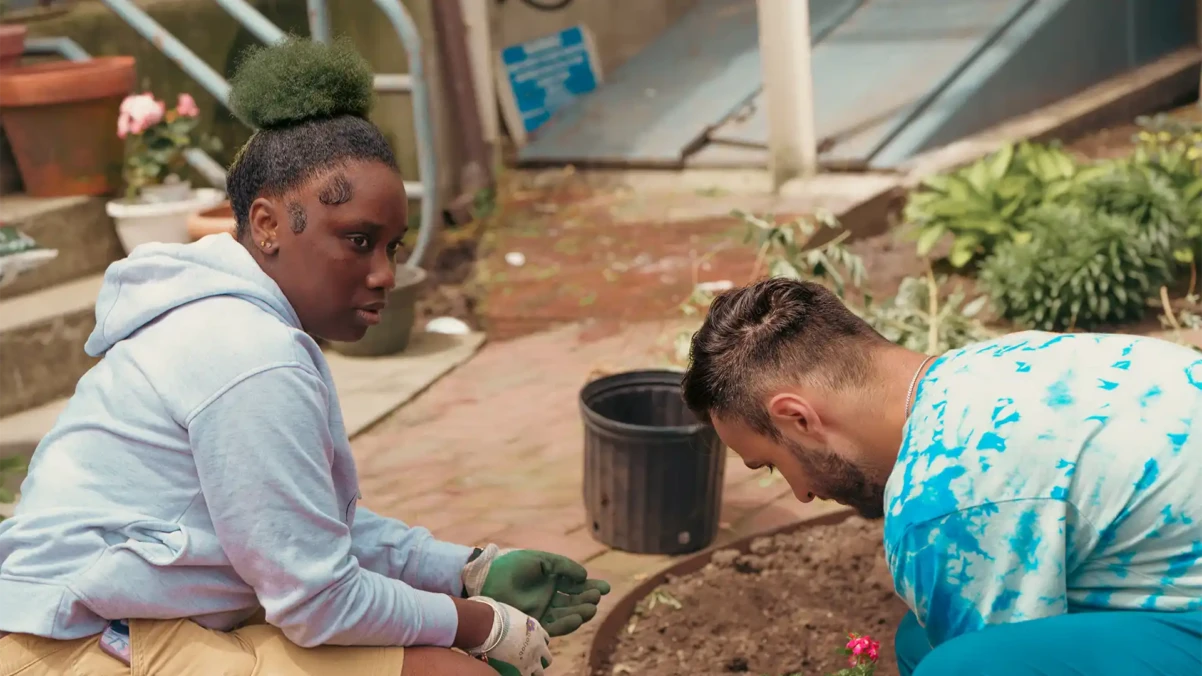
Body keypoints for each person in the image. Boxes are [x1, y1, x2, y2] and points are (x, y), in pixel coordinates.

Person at [0, 38, 608, 676]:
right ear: (267, 224)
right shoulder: (248, 354)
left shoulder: (236, 321)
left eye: (392, 248)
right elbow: (318, 599)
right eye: (357, 241)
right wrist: (482, 622)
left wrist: (464, 571)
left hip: (133, 615)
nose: (384, 275)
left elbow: (305, 532)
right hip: (67, 644)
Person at [680, 276, 1202, 676]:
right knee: (921, 637)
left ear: (798, 418)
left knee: (958, 668)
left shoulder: (944, 496)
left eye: (772, 464)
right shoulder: (995, 362)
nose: (802, 492)